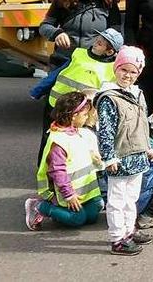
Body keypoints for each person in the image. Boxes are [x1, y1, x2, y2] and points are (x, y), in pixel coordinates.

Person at [96, 46, 153, 256]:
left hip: (137, 156)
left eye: (133, 72)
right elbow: (105, 130)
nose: (128, 75)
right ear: (116, 68)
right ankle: (117, 238)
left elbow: (143, 124)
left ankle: (129, 230)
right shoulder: (109, 98)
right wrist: (108, 156)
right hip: (119, 158)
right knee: (117, 200)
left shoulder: (137, 93)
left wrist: (148, 147)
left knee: (131, 198)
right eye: (124, 70)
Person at [35, 28, 123, 165]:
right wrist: (38, 90)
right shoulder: (79, 53)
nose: (96, 43)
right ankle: (46, 173)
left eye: (101, 44)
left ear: (110, 51)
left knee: (75, 144)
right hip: (56, 105)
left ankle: (66, 175)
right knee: (49, 140)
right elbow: (57, 73)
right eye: (97, 40)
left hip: (80, 114)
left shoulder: (112, 69)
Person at [25, 92, 103, 231]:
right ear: (73, 116)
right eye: (84, 115)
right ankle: (39, 206)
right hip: (66, 191)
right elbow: (58, 171)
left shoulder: (82, 133)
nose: (87, 118)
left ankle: (65, 212)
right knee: (77, 219)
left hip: (84, 189)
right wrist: (69, 195)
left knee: (92, 215)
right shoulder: (58, 141)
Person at [38, 0, 121, 67]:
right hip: (65, 61)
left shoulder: (108, 0)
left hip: (94, 63)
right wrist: (57, 33)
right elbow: (44, 26)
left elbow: (116, 31)